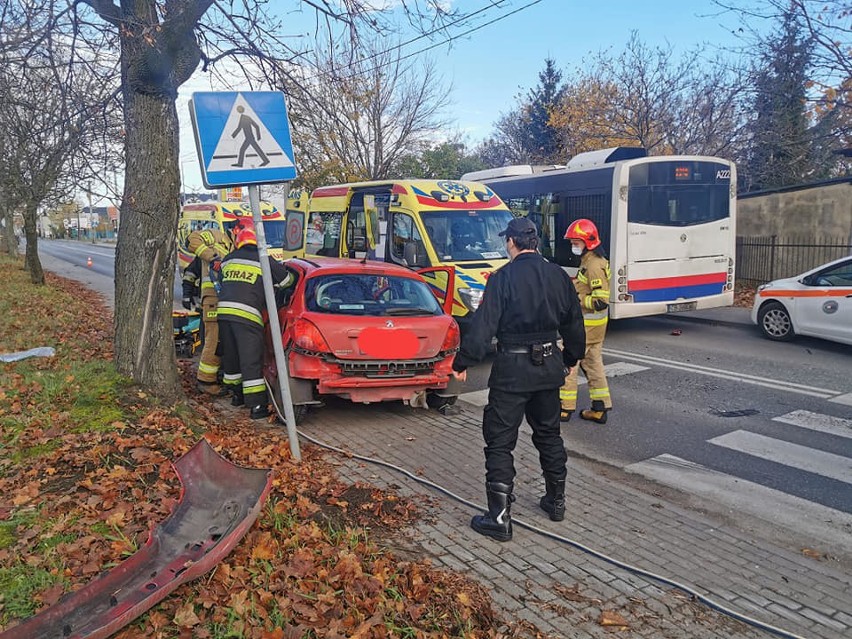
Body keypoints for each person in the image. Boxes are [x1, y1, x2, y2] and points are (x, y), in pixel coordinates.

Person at [451, 217, 585, 542]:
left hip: (512, 371)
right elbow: (574, 323)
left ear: (511, 242)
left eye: (505, 242)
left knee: (499, 441)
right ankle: (556, 502)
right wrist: (569, 359)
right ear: (535, 242)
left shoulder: (502, 278)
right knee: (549, 435)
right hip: (548, 367)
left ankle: (499, 518)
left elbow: (484, 326)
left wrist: (462, 361)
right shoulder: (558, 276)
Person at [217, 218, 294, 419]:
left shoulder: (228, 259)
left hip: (224, 313)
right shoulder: (264, 260)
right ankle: (257, 407)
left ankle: (237, 396)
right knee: (250, 360)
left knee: (231, 356)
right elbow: (287, 281)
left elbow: (222, 282)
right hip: (248, 316)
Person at [559, 218, 612, 424]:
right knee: (593, 365)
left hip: (586, 326)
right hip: (596, 328)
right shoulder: (592, 261)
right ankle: (600, 408)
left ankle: (564, 408)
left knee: (568, 361)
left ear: (588, 242)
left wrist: (576, 299)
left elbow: (601, 301)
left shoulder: (593, 265)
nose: (573, 246)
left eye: (576, 243)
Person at [181, 229, 233, 395]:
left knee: (220, 340)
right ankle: (206, 380)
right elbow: (191, 240)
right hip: (211, 301)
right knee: (213, 340)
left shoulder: (234, 248)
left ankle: (217, 375)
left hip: (224, 302)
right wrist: (213, 257)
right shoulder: (216, 238)